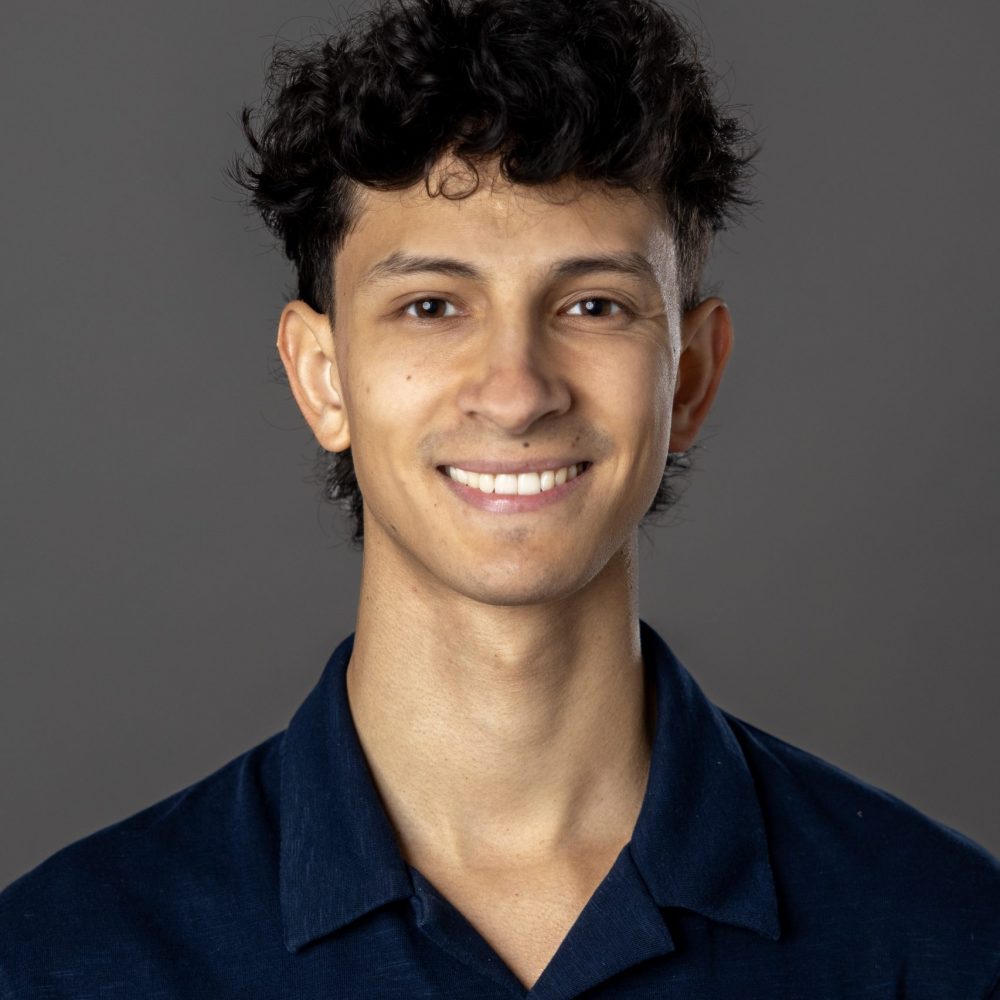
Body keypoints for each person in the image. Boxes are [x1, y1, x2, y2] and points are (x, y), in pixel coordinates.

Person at [1, 0, 997, 995]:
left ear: (689, 376)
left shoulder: (948, 940)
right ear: (322, 378)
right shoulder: (61, 962)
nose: (517, 392)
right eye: (431, 306)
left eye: (593, 305)